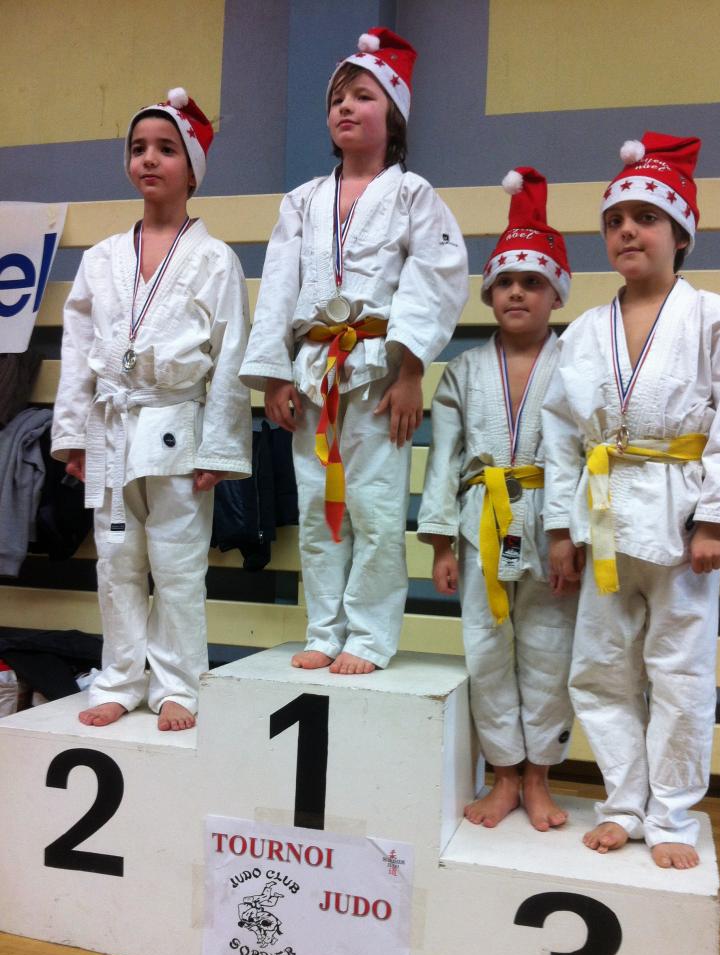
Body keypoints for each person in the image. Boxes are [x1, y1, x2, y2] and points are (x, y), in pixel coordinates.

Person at [543, 133, 720, 867]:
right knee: (600, 670)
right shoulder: (580, 333)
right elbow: (561, 440)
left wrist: (717, 521)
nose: (628, 231)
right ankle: (624, 803)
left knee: (680, 671)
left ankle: (670, 815)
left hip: (680, 518)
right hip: (603, 516)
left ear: (680, 234)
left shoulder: (709, 317)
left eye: (646, 217)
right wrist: (559, 531)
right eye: (615, 220)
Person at [239, 27, 468, 675]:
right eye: (337, 97)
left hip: (377, 374)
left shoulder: (412, 195)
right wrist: (274, 377)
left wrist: (412, 369)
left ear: (391, 115)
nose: (345, 107)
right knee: (317, 508)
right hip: (313, 375)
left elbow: (437, 279)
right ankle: (324, 626)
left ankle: (367, 635)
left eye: (362, 96)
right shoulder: (302, 201)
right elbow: (280, 287)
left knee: (374, 507)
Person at [51, 88, 252, 730]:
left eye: (165, 149)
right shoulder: (101, 258)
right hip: (112, 427)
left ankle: (179, 686)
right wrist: (75, 438)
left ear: (191, 168)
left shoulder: (215, 260)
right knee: (116, 563)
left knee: (178, 564)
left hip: (177, 429)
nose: (149, 159)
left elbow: (229, 358)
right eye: (138, 148)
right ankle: (119, 678)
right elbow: (78, 348)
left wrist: (220, 449)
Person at [418, 169, 578, 830]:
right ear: (488, 294)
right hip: (480, 519)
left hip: (550, 525)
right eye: (505, 283)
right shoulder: (463, 370)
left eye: (531, 282)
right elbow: (444, 458)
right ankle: (504, 775)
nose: (516, 293)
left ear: (555, 294)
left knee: (549, 649)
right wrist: (438, 542)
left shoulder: (577, 364)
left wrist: (572, 533)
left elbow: (580, 455)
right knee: (486, 649)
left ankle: (540, 777)